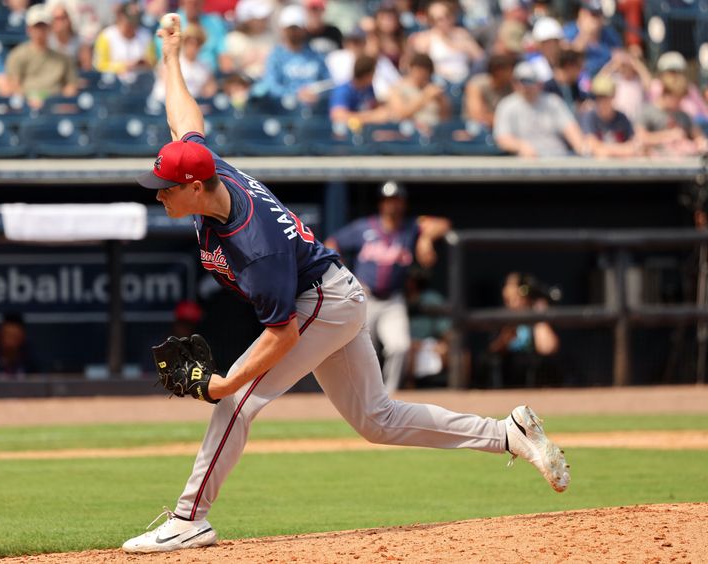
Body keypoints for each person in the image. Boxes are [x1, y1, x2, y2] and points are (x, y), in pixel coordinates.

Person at [121, 13, 570, 554]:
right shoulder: (209, 171)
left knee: (236, 402)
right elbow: (184, 123)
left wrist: (220, 383)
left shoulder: (253, 243)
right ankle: (507, 433)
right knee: (377, 420)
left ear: (194, 186)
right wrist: (171, 58)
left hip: (322, 302)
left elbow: (281, 335)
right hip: (336, 293)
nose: (158, 194)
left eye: (166, 188)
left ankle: (190, 517)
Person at [325, 181, 451, 393]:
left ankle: (388, 396)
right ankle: (363, 395)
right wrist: (344, 277)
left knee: (399, 347)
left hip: (393, 300)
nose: (392, 205)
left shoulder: (411, 228)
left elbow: (443, 224)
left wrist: (426, 238)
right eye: (388, 200)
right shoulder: (364, 227)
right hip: (365, 298)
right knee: (363, 352)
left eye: (396, 200)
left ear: (403, 203)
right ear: (381, 204)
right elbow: (331, 242)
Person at [493, 61, 586, 157]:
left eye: (530, 81)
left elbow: (570, 129)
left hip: (558, 157)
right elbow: (502, 138)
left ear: (539, 83)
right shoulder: (506, 105)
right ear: (514, 83)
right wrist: (521, 146)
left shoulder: (553, 102)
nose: (525, 86)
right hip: (525, 163)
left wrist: (581, 147)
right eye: (521, 81)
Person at [488, 272, 559, 388]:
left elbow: (548, 348)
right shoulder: (500, 317)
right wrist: (510, 327)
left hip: (535, 381)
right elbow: (493, 351)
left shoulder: (536, 317)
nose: (517, 293)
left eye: (520, 289)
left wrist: (539, 316)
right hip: (507, 381)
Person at [5, 5, 79, 108]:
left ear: (49, 28)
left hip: (55, 104)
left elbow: (71, 84)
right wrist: (29, 99)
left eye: (43, 26)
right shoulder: (18, 55)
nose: (40, 30)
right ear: (29, 29)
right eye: (37, 26)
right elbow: (13, 85)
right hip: (27, 106)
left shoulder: (63, 58)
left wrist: (64, 101)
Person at [256, 5, 331, 105]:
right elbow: (271, 86)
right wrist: (296, 94)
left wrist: (317, 94)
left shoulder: (316, 55)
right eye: (290, 29)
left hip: (314, 111)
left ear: (303, 29)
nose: (293, 33)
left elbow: (328, 83)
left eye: (296, 28)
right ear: (282, 29)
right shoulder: (276, 56)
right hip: (286, 113)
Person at [408, 0, 483, 84]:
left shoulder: (462, 34)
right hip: (439, 82)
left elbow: (480, 58)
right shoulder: (425, 39)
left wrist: (465, 46)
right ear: (431, 21)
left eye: (447, 16)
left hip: (465, 80)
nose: (445, 21)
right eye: (439, 19)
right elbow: (419, 66)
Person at [636, 73, 708, 158]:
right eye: (677, 98)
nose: (680, 102)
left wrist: (700, 144)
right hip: (655, 164)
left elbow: (698, 136)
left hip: (681, 164)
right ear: (666, 94)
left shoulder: (683, 115)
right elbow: (641, 138)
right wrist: (668, 136)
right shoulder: (647, 112)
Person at [387, 52, 450, 133]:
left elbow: (445, 117)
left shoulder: (433, 88)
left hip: (434, 131)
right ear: (411, 69)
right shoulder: (397, 88)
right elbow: (400, 114)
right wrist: (425, 97)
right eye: (418, 70)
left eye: (425, 72)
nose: (421, 75)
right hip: (409, 132)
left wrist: (441, 101)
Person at [580, 74, 640, 157]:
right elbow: (593, 146)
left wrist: (606, 150)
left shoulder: (622, 118)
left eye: (605, 96)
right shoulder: (590, 117)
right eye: (598, 97)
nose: (601, 101)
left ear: (613, 96)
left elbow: (633, 146)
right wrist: (623, 150)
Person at [93, 2, 156, 76]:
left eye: (135, 21)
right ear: (121, 17)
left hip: (142, 81)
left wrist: (143, 63)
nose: (132, 25)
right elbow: (100, 66)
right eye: (130, 21)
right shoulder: (106, 36)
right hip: (114, 83)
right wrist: (123, 66)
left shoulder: (145, 35)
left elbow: (152, 62)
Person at [562, 0, 622, 78]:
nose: (596, 19)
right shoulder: (569, 31)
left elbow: (619, 56)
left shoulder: (608, 33)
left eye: (599, 14)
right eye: (593, 14)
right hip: (580, 79)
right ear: (582, 14)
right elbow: (568, 59)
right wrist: (585, 34)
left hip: (607, 77)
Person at [329, 54, 389, 128]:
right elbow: (338, 116)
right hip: (347, 135)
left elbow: (373, 106)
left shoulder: (368, 88)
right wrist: (371, 117)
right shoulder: (343, 90)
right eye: (373, 72)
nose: (375, 76)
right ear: (366, 75)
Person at [648, 51, 708, 124]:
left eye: (678, 71)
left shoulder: (689, 87)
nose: (675, 75)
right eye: (671, 71)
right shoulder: (657, 86)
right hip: (669, 125)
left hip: (693, 124)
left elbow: (702, 107)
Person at [224, 0, 275, 80]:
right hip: (243, 83)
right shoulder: (233, 39)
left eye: (264, 18)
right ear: (247, 20)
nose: (263, 21)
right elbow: (227, 69)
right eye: (259, 19)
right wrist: (243, 63)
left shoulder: (270, 37)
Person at [463, 52, 515, 129]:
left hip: (502, 128)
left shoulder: (512, 86)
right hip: (478, 130)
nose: (512, 73)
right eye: (509, 70)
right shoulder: (477, 84)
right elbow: (477, 116)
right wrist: (507, 122)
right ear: (498, 71)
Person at [543, 48, 587, 114]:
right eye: (579, 66)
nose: (581, 70)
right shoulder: (548, 88)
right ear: (569, 66)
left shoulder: (574, 86)